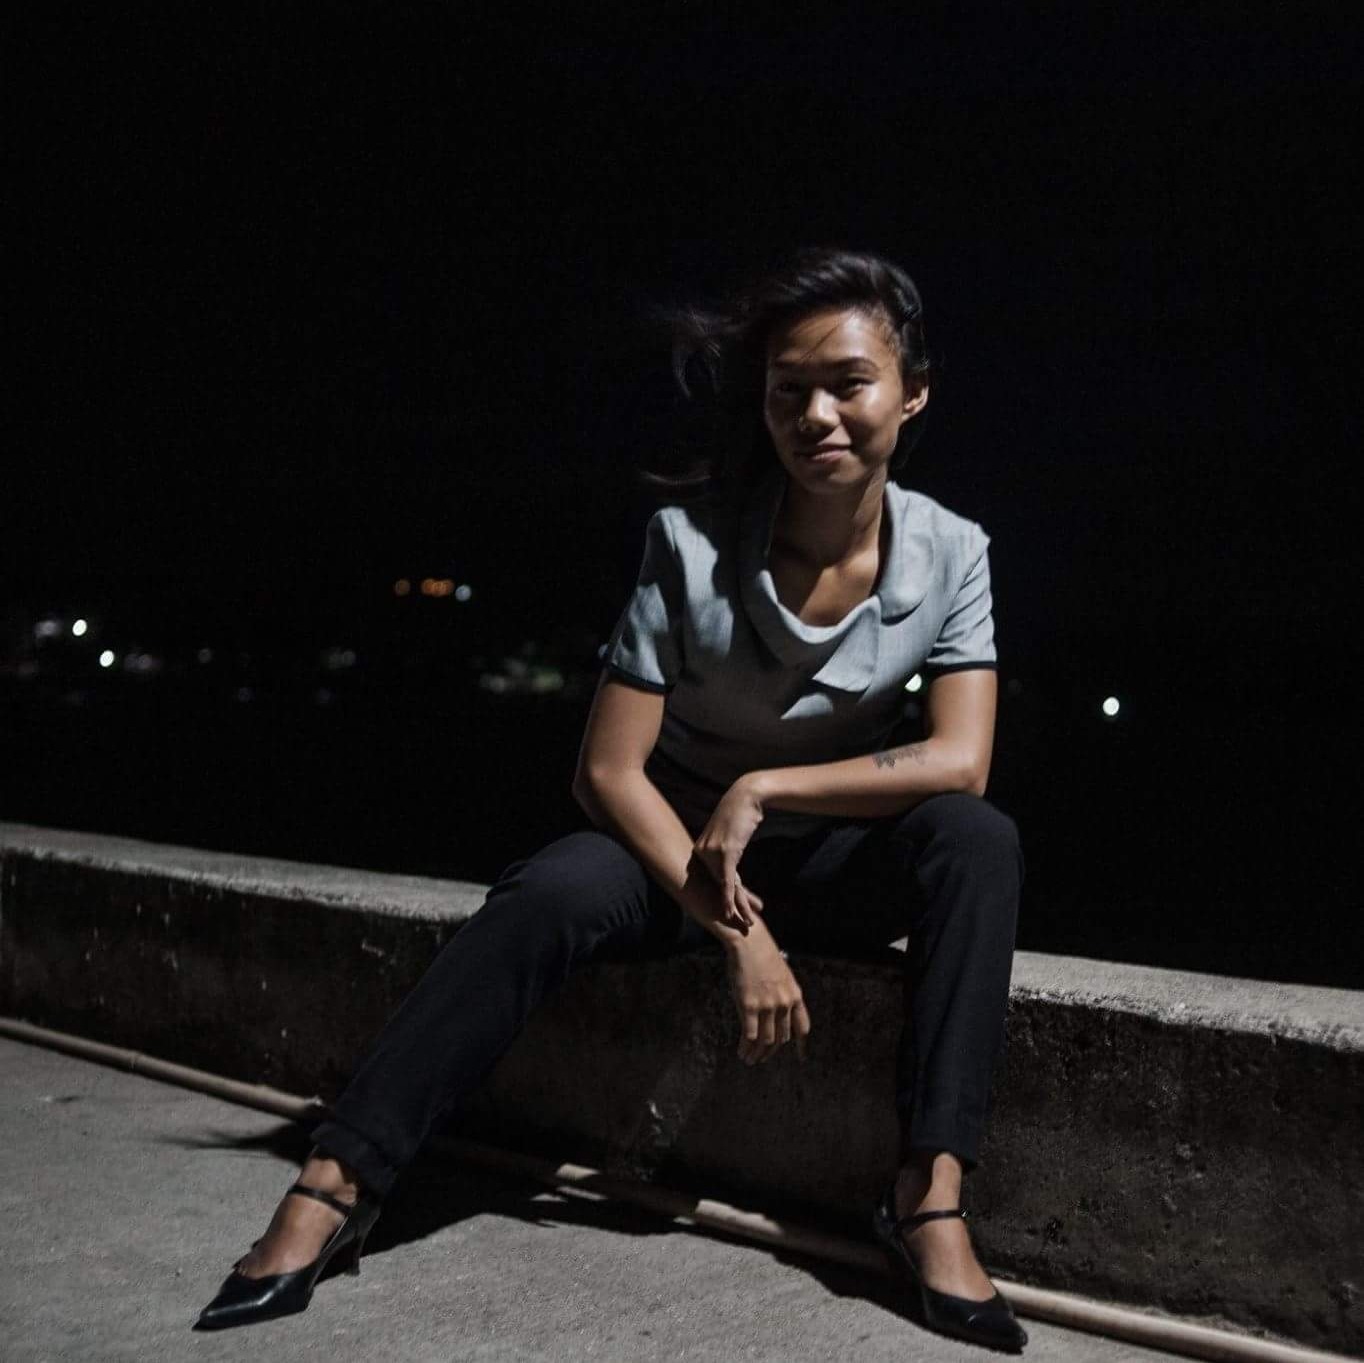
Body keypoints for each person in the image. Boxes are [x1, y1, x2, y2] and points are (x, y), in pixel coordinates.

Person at [196, 245, 1029, 1353]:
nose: (816, 415)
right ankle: (336, 1180)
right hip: (671, 851)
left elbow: (960, 761)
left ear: (911, 392)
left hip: (830, 854)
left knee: (975, 841)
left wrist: (765, 785)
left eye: (848, 383)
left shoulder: (954, 552)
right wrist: (737, 926)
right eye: (789, 390)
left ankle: (928, 1199)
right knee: (546, 891)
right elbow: (606, 771)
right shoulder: (687, 545)